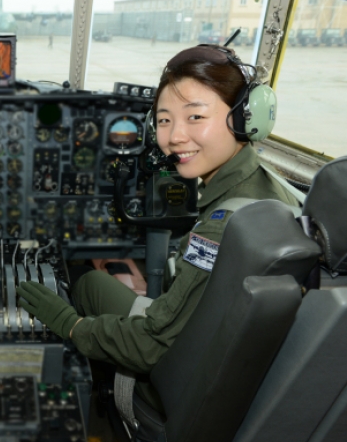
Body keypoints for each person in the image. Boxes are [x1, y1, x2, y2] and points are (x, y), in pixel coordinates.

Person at [16, 44, 298, 412]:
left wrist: (69, 324)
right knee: (94, 281)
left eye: (195, 117)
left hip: (174, 381)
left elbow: (152, 345)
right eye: (164, 120)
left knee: (81, 281)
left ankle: (98, 399)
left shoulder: (222, 226)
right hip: (224, 362)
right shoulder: (277, 195)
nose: (175, 137)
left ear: (245, 118)